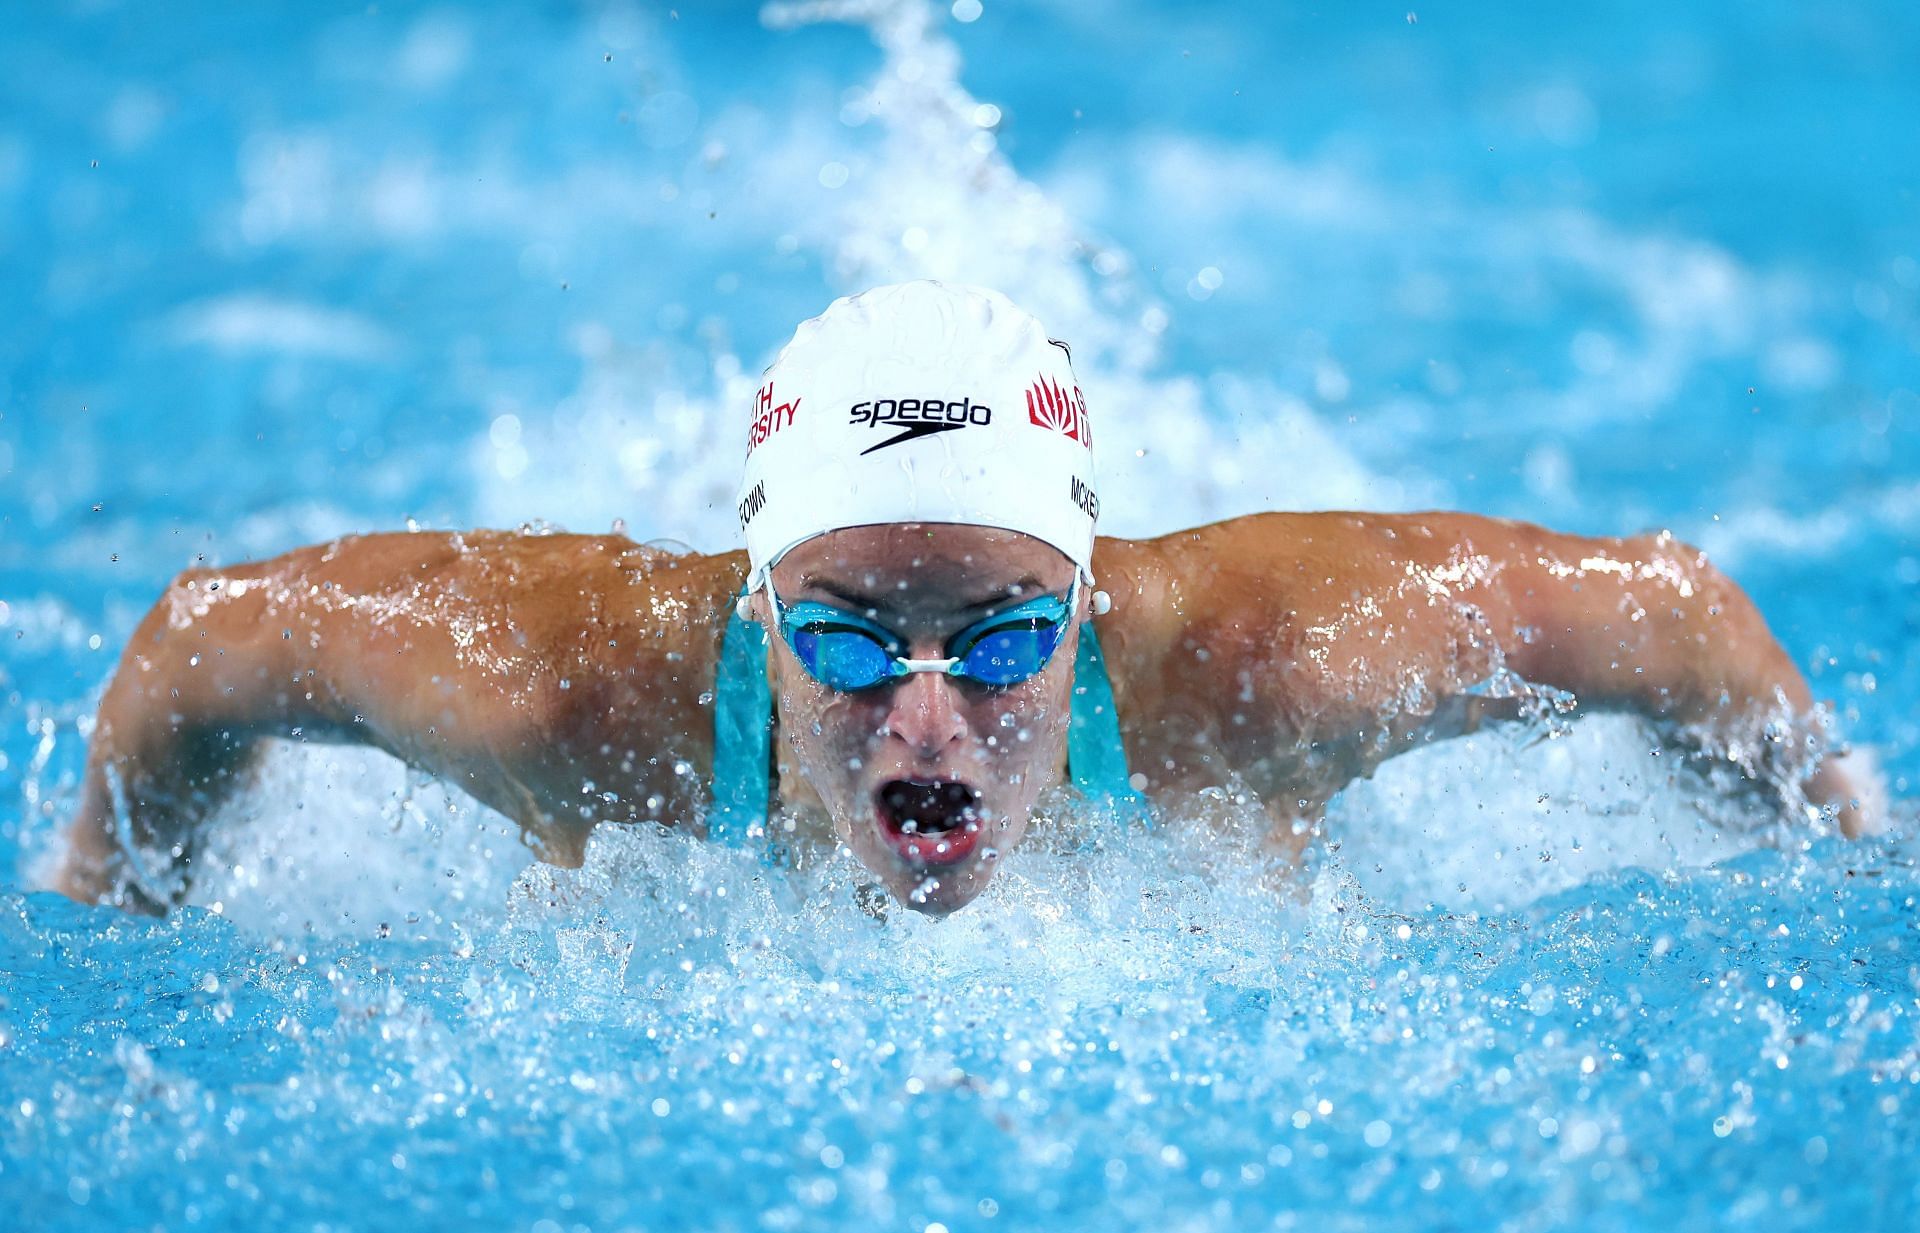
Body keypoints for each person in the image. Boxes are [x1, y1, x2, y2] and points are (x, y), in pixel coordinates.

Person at [54, 282, 1884, 916]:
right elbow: (200, 643)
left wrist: (1841, 841)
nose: (928, 717)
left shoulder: (1271, 662)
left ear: (1084, 607)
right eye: (847, 641)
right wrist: (105, 908)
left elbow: (1675, 616)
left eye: (1004, 637)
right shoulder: (551, 697)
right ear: (761, 602)